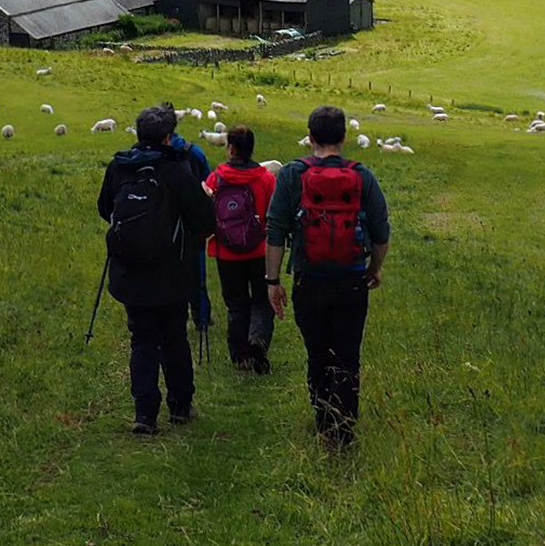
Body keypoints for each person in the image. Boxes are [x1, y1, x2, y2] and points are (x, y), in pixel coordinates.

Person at [265, 104, 391, 449]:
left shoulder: (291, 175)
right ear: (344, 137)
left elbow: (276, 228)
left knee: (318, 352)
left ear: (310, 136)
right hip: (352, 279)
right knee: (347, 354)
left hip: (309, 278)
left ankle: (324, 423)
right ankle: (344, 431)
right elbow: (381, 231)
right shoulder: (362, 176)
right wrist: (374, 268)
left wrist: (272, 281)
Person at [98, 102, 216, 434]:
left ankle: (144, 414)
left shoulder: (119, 168)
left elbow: (105, 209)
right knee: (174, 337)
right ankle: (180, 406)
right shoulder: (176, 170)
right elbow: (204, 220)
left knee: (142, 339)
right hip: (171, 273)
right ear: (168, 137)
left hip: (129, 272)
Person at [205, 125, 277, 373]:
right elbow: (273, 215)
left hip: (226, 252)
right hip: (260, 251)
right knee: (261, 301)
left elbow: (207, 212)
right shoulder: (266, 179)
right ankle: (258, 341)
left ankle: (240, 355)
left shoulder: (216, 178)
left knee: (236, 304)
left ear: (231, 148)